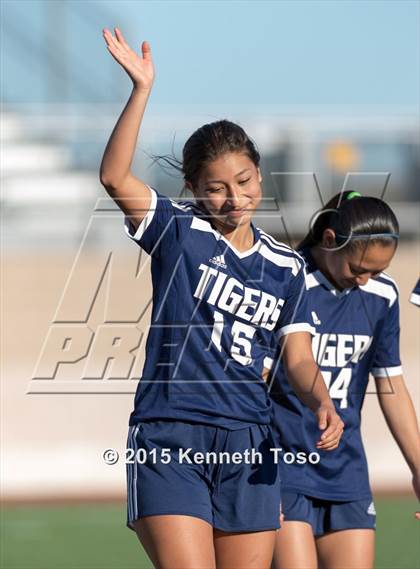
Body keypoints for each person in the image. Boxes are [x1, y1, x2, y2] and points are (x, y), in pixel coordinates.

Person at [100, 28, 343, 569]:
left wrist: (320, 400)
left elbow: (297, 357)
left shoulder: (287, 266)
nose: (234, 198)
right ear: (193, 188)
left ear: (260, 174)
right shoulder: (178, 231)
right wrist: (141, 90)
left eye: (245, 180)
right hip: (169, 434)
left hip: (248, 443)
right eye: (216, 187)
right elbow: (114, 176)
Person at [266, 191, 420, 569]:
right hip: (281, 465)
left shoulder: (381, 296)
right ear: (331, 241)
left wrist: (419, 468)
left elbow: (391, 386)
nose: (366, 281)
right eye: (358, 269)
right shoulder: (288, 281)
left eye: (378, 272)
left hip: (345, 468)